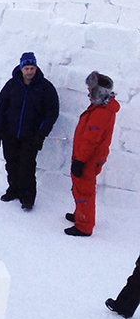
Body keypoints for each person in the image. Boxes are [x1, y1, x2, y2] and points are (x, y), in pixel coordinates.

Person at [0, 52, 59, 212]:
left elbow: (52, 112)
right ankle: (13, 190)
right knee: (12, 164)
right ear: (21, 68)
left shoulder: (45, 87)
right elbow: (0, 106)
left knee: (27, 167)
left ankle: (27, 197)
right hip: (10, 133)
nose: (29, 71)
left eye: (32, 68)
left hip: (31, 136)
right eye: (27, 68)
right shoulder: (12, 85)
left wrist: (41, 133)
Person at [65, 71, 119, 237]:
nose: (88, 91)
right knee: (80, 187)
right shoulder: (99, 107)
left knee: (84, 190)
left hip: (88, 158)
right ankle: (81, 214)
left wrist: (80, 160)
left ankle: (84, 226)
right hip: (86, 156)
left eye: (91, 89)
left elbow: (90, 140)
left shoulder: (101, 112)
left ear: (99, 92)